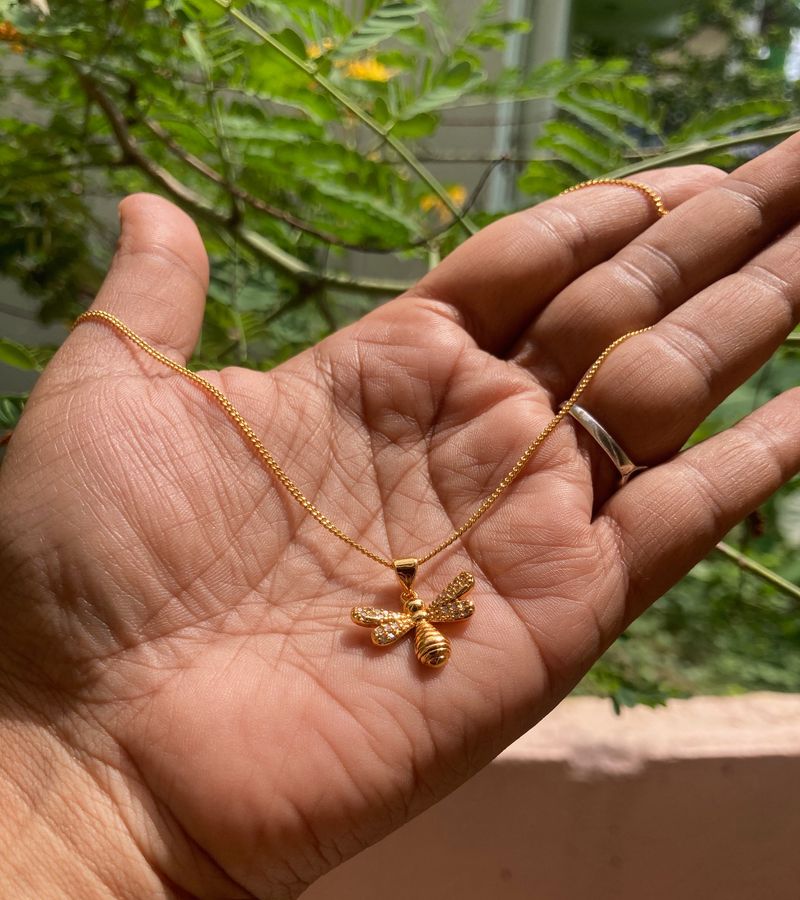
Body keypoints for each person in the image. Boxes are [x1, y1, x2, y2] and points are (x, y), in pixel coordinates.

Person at [0, 132, 798, 899]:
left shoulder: (418, 603)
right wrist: (86, 777)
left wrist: (96, 821)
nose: (419, 611)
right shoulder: (425, 605)